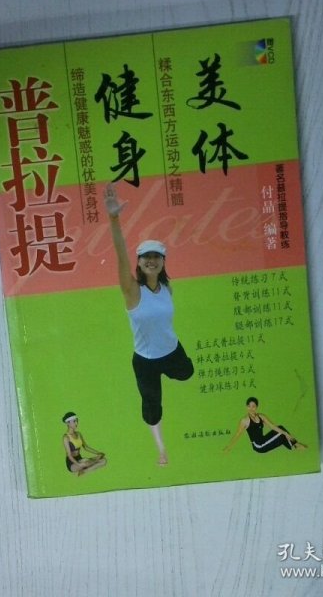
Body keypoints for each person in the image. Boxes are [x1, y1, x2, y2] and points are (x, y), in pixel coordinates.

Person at [104, 183, 194, 466]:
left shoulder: (167, 288)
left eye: (156, 257)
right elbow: (120, 254)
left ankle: (171, 371)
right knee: (153, 407)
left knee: (187, 373)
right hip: (146, 361)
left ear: (163, 261)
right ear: (139, 262)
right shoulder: (132, 290)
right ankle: (161, 449)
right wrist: (114, 219)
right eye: (146, 257)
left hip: (172, 350)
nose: (151, 261)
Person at [223, 397, 307, 454]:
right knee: (282, 435)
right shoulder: (245, 420)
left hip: (263, 440)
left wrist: (286, 433)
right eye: (249, 406)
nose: (251, 409)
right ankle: (295, 445)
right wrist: (228, 447)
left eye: (253, 406)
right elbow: (237, 434)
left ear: (256, 407)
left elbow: (272, 426)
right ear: (247, 407)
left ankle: (294, 445)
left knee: (280, 428)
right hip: (259, 446)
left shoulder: (261, 416)